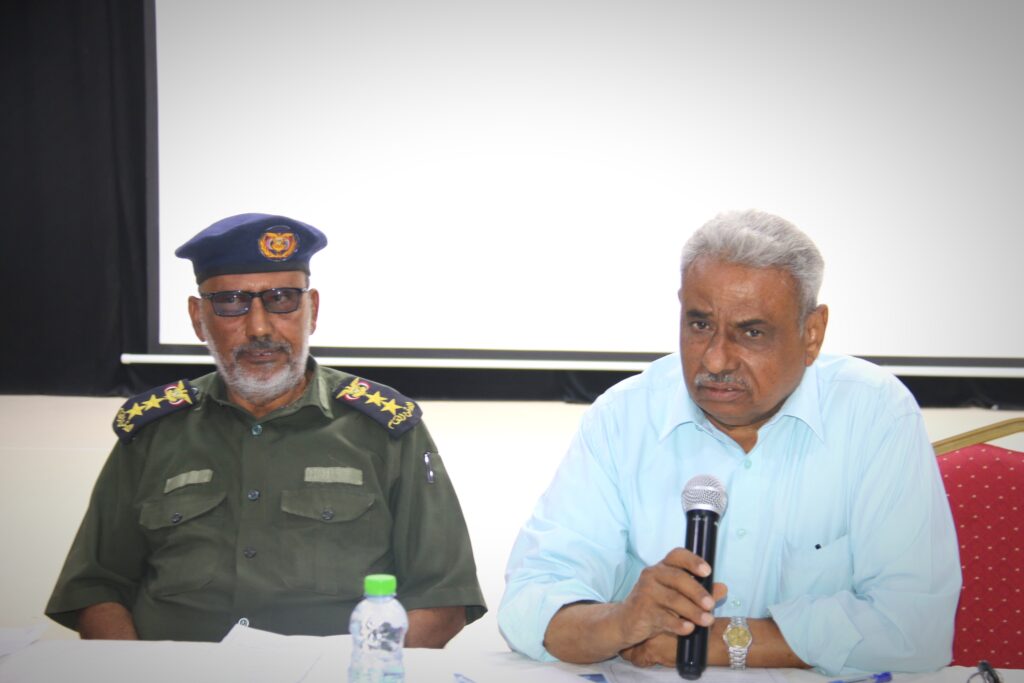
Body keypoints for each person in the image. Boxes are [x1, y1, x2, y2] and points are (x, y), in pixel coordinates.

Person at [498, 210, 961, 675]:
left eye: (751, 333)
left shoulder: (874, 414)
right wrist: (620, 623)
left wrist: (708, 642)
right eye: (700, 325)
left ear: (812, 333)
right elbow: (530, 603)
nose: (716, 360)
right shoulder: (624, 417)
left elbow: (914, 624)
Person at [46, 213, 486, 644]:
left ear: (312, 310)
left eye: (281, 299)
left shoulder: (384, 429)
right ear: (198, 318)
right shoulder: (154, 430)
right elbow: (96, 588)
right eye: (231, 302)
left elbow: (442, 599)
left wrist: (367, 673)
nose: (259, 327)